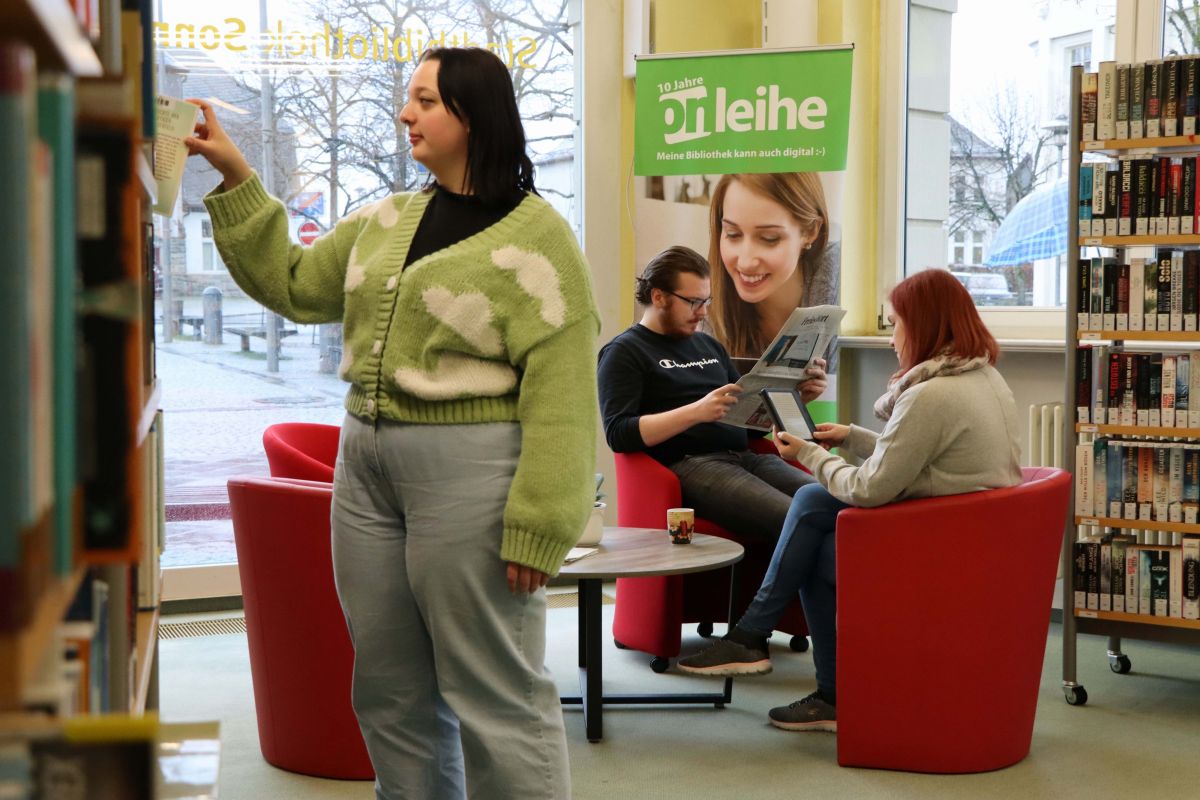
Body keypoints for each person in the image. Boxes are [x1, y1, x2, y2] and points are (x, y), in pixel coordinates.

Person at [185, 47, 598, 800]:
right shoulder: (384, 218)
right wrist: (238, 178)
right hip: (365, 465)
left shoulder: (539, 238)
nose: (406, 113)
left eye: (426, 100)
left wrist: (544, 518)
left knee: (493, 688)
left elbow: (566, 393)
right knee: (388, 685)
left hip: (470, 471)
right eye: (409, 98)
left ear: (474, 115)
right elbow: (294, 282)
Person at [677, 268, 1022, 734]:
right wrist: (852, 438)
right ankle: (767, 648)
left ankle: (775, 653)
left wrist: (811, 453)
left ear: (923, 324)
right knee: (816, 519)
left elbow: (868, 490)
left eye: (895, 322)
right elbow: (922, 457)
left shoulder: (932, 396)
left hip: (937, 547)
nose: (891, 338)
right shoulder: (981, 378)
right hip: (965, 534)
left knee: (817, 522)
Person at [597, 245, 815, 546]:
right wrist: (697, 412)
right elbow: (618, 433)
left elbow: (750, 424)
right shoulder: (624, 352)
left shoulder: (708, 346)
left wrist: (798, 396)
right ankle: (774, 596)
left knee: (830, 501)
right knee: (798, 518)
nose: (702, 312)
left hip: (748, 458)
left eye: (706, 301)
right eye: (693, 302)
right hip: (693, 464)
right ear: (658, 296)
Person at [704, 171, 840, 395]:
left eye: (769, 239)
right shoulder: (705, 303)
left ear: (810, 231)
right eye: (732, 234)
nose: (746, 262)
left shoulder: (835, 279)